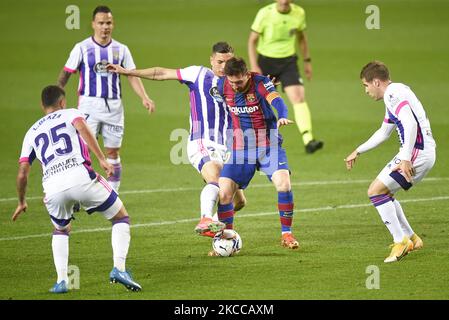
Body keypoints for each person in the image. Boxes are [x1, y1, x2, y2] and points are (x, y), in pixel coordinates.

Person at [107, 42, 246, 237]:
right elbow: (161, 73)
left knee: (238, 201)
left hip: (227, 147)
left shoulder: (237, 83)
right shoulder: (198, 74)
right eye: (220, 62)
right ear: (212, 60)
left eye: (228, 62)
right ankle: (206, 218)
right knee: (215, 178)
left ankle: (214, 226)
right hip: (202, 141)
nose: (223, 67)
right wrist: (129, 71)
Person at [12, 85, 142, 293]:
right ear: (62, 102)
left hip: (53, 188)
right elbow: (82, 127)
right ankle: (119, 268)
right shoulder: (71, 113)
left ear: (42, 105)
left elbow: (22, 173)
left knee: (61, 230)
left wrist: (21, 201)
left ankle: (62, 280)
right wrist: (102, 160)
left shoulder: (31, 132)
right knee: (120, 217)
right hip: (81, 178)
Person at [345, 61, 436, 263]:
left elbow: (410, 124)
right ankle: (412, 238)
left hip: (416, 152)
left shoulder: (392, 94)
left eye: (365, 85)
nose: (366, 91)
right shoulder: (396, 93)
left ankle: (400, 241)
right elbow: (384, 132)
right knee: (385, 193)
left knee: (375, 191)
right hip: (422, 151)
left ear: (376, 82)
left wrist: (405, 158)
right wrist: (358, 150)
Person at [57, 5, 155, 193]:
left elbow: (131, 75)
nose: (105, 27)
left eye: (108, 23)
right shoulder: (82, 48)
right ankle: (78, 191)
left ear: (113, 24)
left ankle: (113, 192)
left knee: (112, 152)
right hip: (88, 105)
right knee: (81, 151)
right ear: (93, 24)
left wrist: (144, 97)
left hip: (114, 107)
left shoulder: (121, 49)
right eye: (101, 23)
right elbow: (66, 74)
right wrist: (57, 100)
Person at [214, 57, 299, 253]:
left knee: (283, 183)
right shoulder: (221, 85)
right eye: (232, 82)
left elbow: (276, 100)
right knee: (225, 192)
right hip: (241, 148)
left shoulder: (260, 82)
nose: (235, 86)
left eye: (240, 82)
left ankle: (286, 234)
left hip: (268, 145)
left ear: (247, 75)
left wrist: (283, 114)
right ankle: (226, 240)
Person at [248, 0, 323, 154]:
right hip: (266, 62)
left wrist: (307, 61)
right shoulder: (265, 13)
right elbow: (252, 41)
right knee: (262, 102)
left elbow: (302, 38)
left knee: (298, 97)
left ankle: (308, 140)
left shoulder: (299, 13)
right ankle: (258, 141)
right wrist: (254, 65)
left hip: (288, 62)